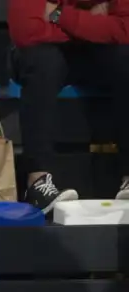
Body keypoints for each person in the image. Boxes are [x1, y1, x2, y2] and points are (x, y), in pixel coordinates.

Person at [8, 0, 129, 212]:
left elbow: (124, 29)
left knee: (125, 58)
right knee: (43, 62)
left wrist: (58, 15)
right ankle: (37, 182)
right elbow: (27, 30)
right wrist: (92, 23)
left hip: (93, 50)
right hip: (44, 51)